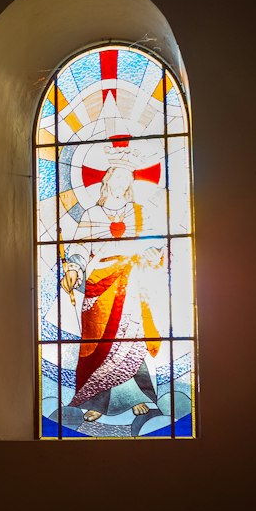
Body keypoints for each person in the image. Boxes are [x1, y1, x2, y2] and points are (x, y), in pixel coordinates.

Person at [60, 165, 166, 426]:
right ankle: (96, 401)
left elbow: (153, 242)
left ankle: (134, 396)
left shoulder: (138, 212)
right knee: (99, 344)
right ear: (107, 181)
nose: (121, 182)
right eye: (117, 177)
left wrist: (154, 252)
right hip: (99, 282)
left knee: (130, 340)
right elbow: (80, 247)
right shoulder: (92, 213)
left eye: (126, 178)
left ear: (130, 184)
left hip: (131, 280)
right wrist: (73, 269)